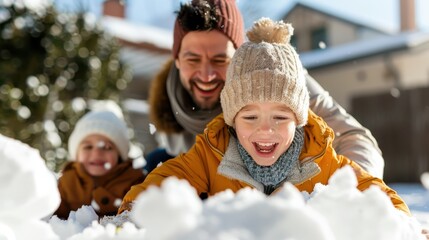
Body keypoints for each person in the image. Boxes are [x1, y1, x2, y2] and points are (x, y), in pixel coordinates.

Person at [119, 18, 409, 217]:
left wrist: (399, 223)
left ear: (300, 118)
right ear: (231, 117)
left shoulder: (320, 157)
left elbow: (375, 192)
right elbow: (167, 178)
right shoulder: (212, 154)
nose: (266, 130)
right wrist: (131, 213)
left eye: (281, 118)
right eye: (250, 117)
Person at [145, 0, 384, 178]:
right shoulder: (168, 101)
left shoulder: (275, 78)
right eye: (192, 60)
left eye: (220, 60)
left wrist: (360, 192)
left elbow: (354, 137)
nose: (206, 75)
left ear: (240, 59)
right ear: (177, 60)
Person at [54, 110, 146, 219]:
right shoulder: (67, 183)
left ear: (119, 155)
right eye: (88, 147)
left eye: (107, 147)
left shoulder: (134, 181)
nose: (97, 153)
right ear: (77, 154)